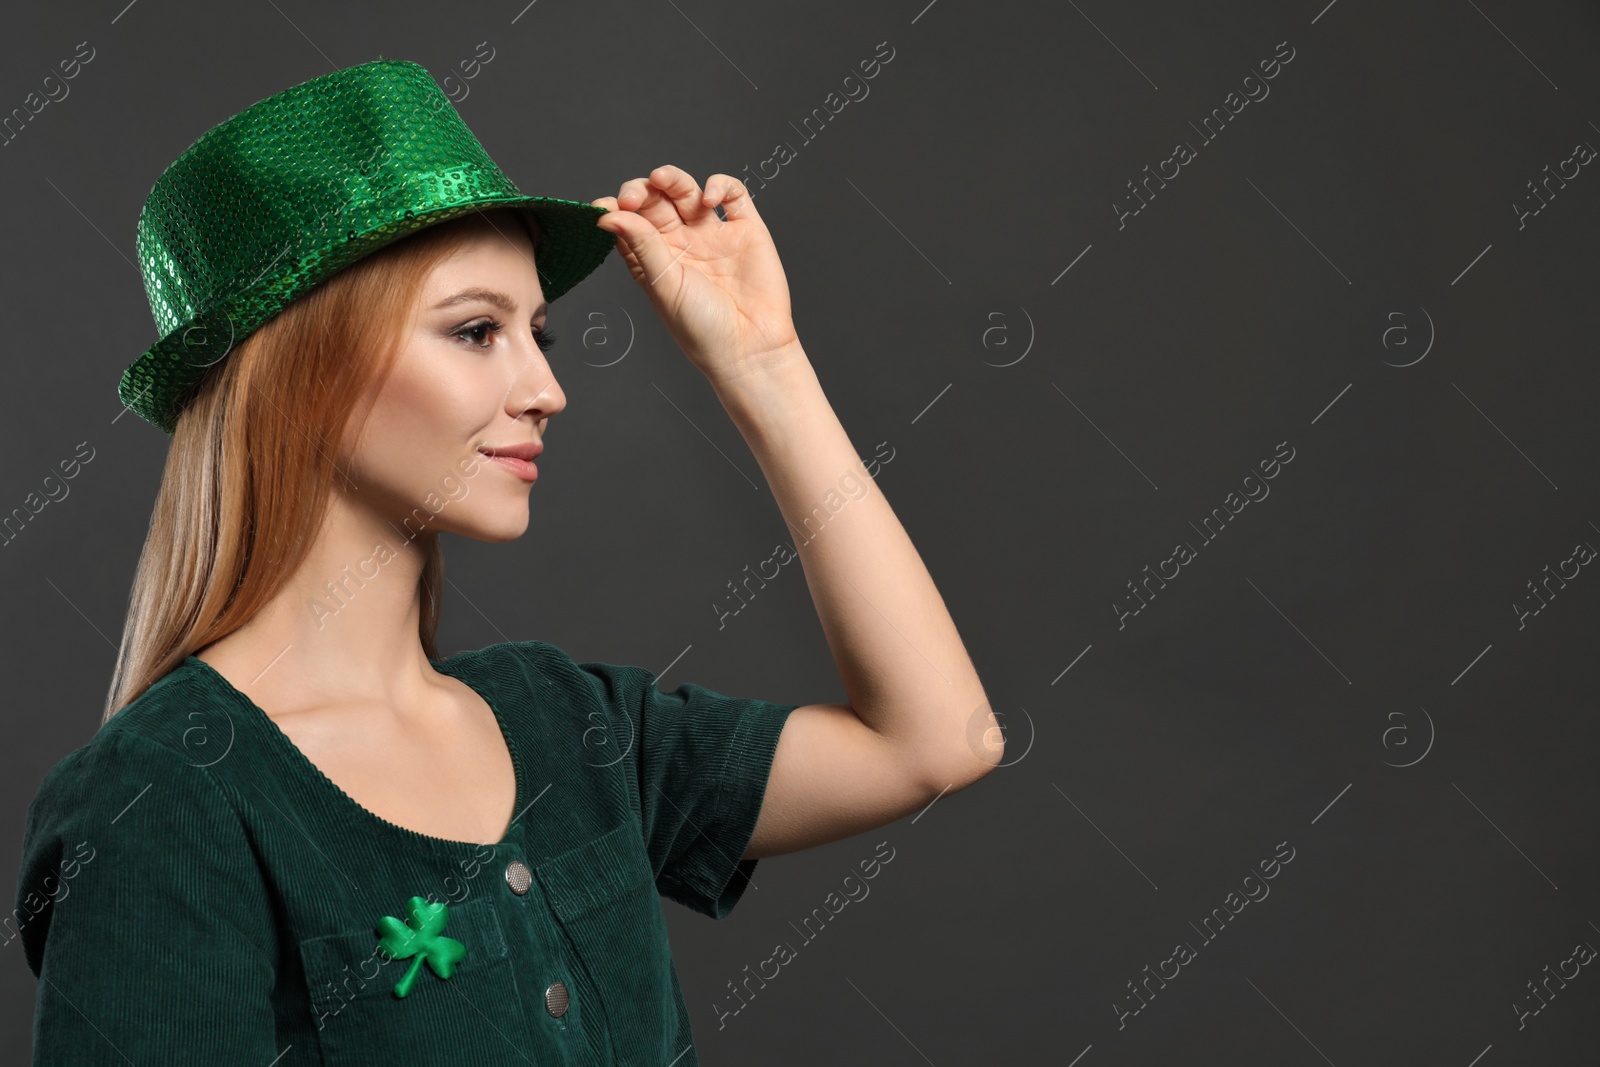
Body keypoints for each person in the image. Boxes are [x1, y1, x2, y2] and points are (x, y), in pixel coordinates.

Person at [11, 58, 1000, 1064]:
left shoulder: (565, 719)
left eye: (540, 332)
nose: (545, 388)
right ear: (303, 372)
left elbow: (935, 740)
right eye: (476, 331)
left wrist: (764, 363)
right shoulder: (162, 797)